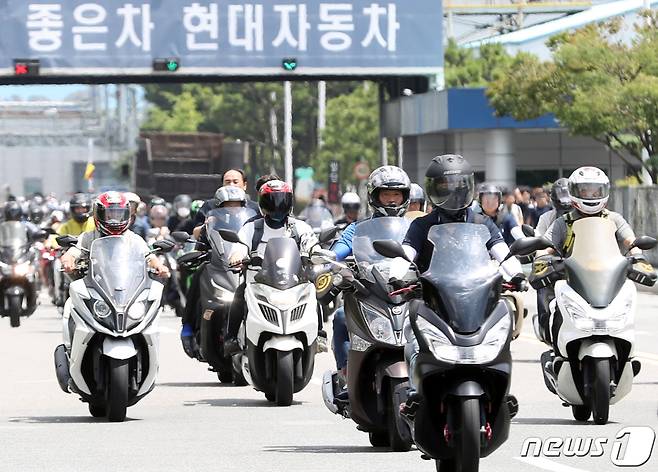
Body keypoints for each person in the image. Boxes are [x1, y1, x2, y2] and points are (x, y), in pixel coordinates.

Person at [400, 155, 524, 417]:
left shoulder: (483, 223)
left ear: (469, 186)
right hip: (433, 298)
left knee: (501, 327)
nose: (454, 191)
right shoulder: (422, 225)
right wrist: (398, 273)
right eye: (445, 185)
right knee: (412, 336)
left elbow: (501, 251)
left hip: (475, 296)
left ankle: (501, 387)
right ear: (434, 189)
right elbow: (407, 251)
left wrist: (517, 274)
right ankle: (414, 391)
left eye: (459, 184)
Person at [534, 167, 650, 344]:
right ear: (574, 192)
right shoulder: (562, 223)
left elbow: (631, 242)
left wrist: (639, 258)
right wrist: (541, 260)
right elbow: (545, 246)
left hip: (609, 279)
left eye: (595, 190)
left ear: (604, 191)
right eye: (585, 190)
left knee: (628, 303)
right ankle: (558, 350)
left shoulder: (614, 219)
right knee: (555, 309)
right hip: (572, 281)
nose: (590, 195)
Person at [330, 165, 411, 386]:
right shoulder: (357, 228)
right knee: (339, 318)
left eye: (397, 194)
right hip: (370, 292)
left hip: (408, 292)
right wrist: (330, 261)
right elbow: (336, 253)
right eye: (386, 194)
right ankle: (346, 374)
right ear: (375, 197)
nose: (392, 200)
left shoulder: (414, 228)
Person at [222, 180, 320, 355]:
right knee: (238, 294)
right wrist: (237, 255)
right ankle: (231, 338)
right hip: (258, 284)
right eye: (271, 200)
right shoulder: (252, 227)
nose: (277, 206)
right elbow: (240, 245)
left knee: (314, 293)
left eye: (282, 200)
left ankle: (319, 334)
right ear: (262, 203)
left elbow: (311, 244)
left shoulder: (300, 227)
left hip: (294, 284)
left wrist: (316, 253)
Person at [180, 186, 249, 357]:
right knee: (198, 274)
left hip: (245, 266)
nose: (232, 208)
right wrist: (204, 230)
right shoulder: (210, 218)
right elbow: (198, 239)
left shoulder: (252, 220)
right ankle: (188, 327)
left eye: (236, 205)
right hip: (217, 265)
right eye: (228, 205)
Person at [60, 191, 169, 277]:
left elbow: (148, 256)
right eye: (109, 214)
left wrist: (159, 266)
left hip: (127, 286)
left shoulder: (133, 238)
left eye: (118, 214)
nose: (114, 219)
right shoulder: (89, 237)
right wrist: (68, 261)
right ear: (98, 214)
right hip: (95, 286)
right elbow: (73, 252)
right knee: (74, 296)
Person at [194, 169, 259, 228]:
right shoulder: (210, 205)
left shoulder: (255, 208)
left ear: (244, 185)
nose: (231, 185)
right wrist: (206, 225)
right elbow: (196, 232)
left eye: (235, 182)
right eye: (227, 182)